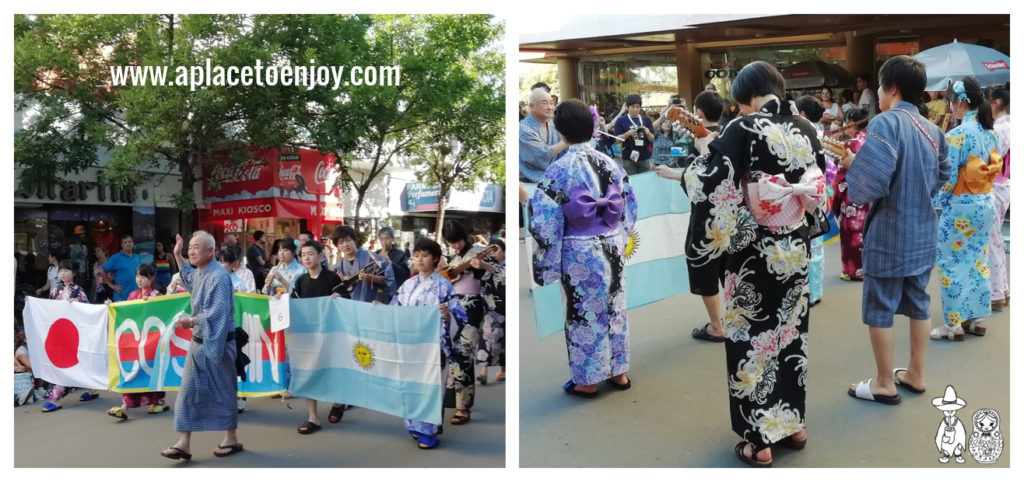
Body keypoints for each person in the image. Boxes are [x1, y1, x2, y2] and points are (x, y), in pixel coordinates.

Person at [663, 62, 827, 466]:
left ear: (746, 96)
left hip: (755, 251)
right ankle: (792, 423)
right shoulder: (806, 129)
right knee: (789, 334)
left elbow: (709, 184)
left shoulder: (744, 128)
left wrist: (703, 153)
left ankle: (760, 441)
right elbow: (818, 182)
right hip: (795, 247)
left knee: (751, 340)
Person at [844, 55, 950, 406]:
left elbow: (870, 182)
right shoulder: (934, 130)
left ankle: (884, 382)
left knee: (880, 306)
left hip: (890, 229)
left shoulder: (886, 122)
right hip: (923, 228)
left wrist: (851, 166)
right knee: (919, 302)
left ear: (891, 87)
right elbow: (945, 175)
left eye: (879, 85)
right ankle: (916, 374)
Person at [530, 99, 638, 399]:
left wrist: (547, 262)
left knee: (583, 313)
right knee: (615, 305)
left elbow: (545, 220)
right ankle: (619, 373)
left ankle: (587, 380)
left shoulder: (559, 169)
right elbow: (628, 204)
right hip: (612, 243)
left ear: (560, 132)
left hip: (579, 249)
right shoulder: (610, 163)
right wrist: (618, 232)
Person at [160, 231, 243, 461]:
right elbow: (187, 277)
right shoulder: (200, 272)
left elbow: (217, 312)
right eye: (190, 247)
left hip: (219, 342)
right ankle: (183, 443)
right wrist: (177, 255)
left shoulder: (219, 276)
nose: (191, 250)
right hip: (199, 342)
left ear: (211, 251)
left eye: (197, 247)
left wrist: (191, 321)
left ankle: (231, 438)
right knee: (187, 391)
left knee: (224, 390)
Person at [931, 76, 1001, 340]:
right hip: (985, 202)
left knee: (950, 262)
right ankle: (975, 318)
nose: (950, 106)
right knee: (976, 260)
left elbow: (947, 177)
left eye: (950, 101)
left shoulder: (957, 135)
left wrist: (935, 202)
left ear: (959, 101)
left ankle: (953, 324)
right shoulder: (989, 132)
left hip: (961, 206)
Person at [657, 89, 728, 343]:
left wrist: (674, 174)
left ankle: (718, 325)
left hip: (706, 217)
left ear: (697, 113)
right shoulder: (732, 136)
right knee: (731, 269)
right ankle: (732, 319)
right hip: (733, 216)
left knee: (704, 266)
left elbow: (702, 183)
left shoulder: (704, 144)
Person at [390, 237, 467, 449]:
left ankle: (429, 429)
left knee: (430, 387)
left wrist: (448, 315)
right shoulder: (408, 284)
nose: (419, 259)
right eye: (416, 255)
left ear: (435, 259)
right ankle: (414, 425)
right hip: (409, 343)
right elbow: (394, 308)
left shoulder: (443, 286)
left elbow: (460, 315)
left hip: (433, 345)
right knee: (410, 385)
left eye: (425, 255)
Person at [290, 240, 345, 435]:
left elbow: (345, 303)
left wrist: (339, 300)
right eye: (303, 254)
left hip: (331, 335)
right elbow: (293, 305)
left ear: (321, 256)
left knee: (333, 372)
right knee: (309, 372)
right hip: (308, 335)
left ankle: (339, 401)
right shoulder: (300, 281)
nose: (306, 257)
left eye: (310, 253)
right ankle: (313, 417)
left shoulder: (332, 279)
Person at [106, 264, 168, 420]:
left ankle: (158, 400)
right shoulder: (132, 294)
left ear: (151, 278)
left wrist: (151, 304)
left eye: (143, 277)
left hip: (151, 342)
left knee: (151, 371)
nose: (139, 280)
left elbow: (163, 316)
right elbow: (124, 312)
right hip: (134, 341)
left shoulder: (156, 295)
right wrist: (111, 306)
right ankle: (125, 406)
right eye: (137, 276)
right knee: (132, 370)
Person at [43, 261, 100, 412]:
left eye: (66, 270)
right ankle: (56, 397)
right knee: (62, 362)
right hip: (60, 333)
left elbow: (87, 310)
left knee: (78, 361)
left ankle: (89, 388)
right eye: (61, 270)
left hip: (75, 333)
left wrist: (77, 303)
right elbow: (49, 308)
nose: (62, 273)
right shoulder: (55, 290)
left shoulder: (78, 290)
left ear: (73, 273)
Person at [795, 95, 834, 307]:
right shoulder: (820, 133)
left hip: (802, 191)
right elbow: (831, 167)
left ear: (801, 113)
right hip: (821, 190)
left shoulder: (798, 132)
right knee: (816, 242)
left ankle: (804, 290)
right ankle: (815, 291)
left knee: (802, 242)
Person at [833, 107, 870, 281]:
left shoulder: (849, 144)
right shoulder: (872, 140)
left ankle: (853, 270)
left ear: (852, 123)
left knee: (851, 233)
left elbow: (840, 171)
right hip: (870, 193)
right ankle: (868, 268)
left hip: (852, 194)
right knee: (866, 231)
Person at [987, 82, 1010, 312]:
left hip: (995, 184)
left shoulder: (999, 129)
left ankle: (996, 292)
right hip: (1005, 184)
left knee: (991, 240)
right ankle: (1002, 288)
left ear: (996, 103)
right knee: (996, 239)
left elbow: (989, 157)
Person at [333, 225, 395, 304]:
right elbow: (336, 290)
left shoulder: (371, 257)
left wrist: (370, 277)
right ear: (337, 246)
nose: (345, 245)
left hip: (372, 304)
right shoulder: (338, 266)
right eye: (340, 243)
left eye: (348, 240)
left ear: (354, 240)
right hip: (349, 307)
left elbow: (389, 279)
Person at [520, 87, 569, 183]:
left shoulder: (552, 123)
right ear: (532, 106)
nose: (550, 107)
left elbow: (566, 149)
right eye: (545, 103)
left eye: (551, 103)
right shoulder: (523, 129)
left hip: (555, 176)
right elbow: (542, 155)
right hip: (532, 180)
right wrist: (568, 140)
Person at [474, 239, 506, 384]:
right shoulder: (484, 266)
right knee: (486, 338)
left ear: (504, 251)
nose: (494, 253)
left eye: (497, 249)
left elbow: (502, 276)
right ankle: (483, 371)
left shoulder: (506, 265)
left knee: (505, 340)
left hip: (505, 305)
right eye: (491, 250)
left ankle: (503, 370)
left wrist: (486, 266)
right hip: (489, 308)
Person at [614, 94, 655, 174]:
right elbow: (617, 140)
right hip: (629, 155)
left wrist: (648, 133)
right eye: (633, 107)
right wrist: (628, 134)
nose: (635, 109)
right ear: (628, 107)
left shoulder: (646, 120)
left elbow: (652, 139)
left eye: (638, 107)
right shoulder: (621, 120)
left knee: (645, 179)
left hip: (644, 155)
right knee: (632, 180)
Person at [99, 234, 142, 302]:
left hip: (137, 296)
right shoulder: (116, 258)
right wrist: (111, 285)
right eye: (125, 242)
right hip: (122, 296)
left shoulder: (137, 258)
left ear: (133, 244)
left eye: (129, 242)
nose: (128, 244)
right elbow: (101, 270)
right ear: (121, 245)